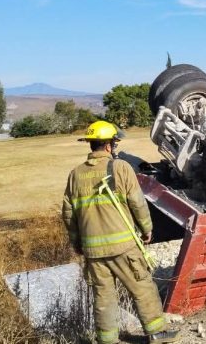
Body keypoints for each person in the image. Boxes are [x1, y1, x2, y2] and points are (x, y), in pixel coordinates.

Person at [62, 121, 179, 343]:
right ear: (108, 146)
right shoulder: (120, 168)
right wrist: (147, 229)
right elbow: (137, 203)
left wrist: (77, 243)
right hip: (123, 246)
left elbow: (69, 213)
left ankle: (107, 340)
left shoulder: (75, 175)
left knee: (103, 297)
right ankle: (157, 333)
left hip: (93, 252)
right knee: (143, 288)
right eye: (114, 143)